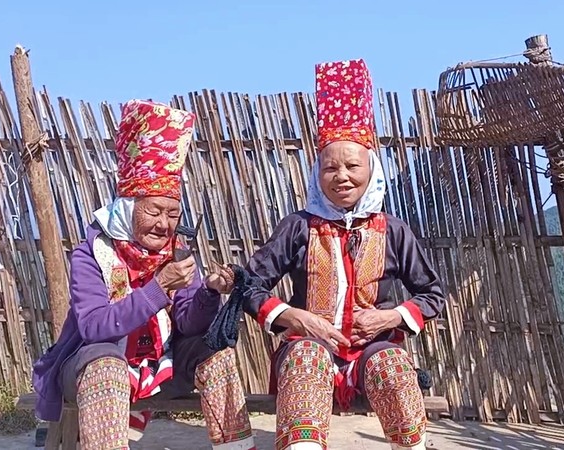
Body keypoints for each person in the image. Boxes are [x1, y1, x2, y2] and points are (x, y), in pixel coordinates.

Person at [241, 59, 446, 450]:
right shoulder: (299, 226)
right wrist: (295, 316)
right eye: (330, 167)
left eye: (353, 165)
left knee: (394, 367)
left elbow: (432, 293)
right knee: (304, 361)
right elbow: (250, 285)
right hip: (308, 346)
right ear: (317, 174)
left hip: (372, 351)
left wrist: (388, 317)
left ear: (372, 170)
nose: (342, 177)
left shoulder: (392, 230)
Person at [31, 99, 256, 450]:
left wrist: (208, 292)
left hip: (161, 368)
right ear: (129, 206)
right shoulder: (93, 253)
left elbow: (188, 323)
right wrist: (158, 287)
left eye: (172, 213)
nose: (164, 224)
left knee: (216, 354)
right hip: (96, 368)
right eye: (154, 211)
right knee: (104, 363)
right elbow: (93, 327)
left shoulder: (177, 251)